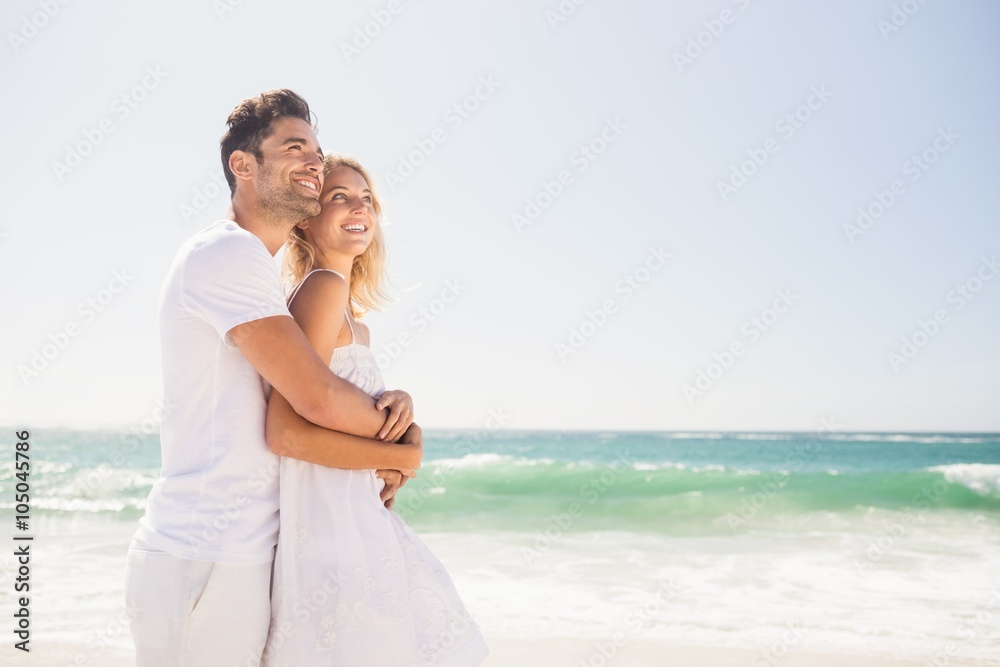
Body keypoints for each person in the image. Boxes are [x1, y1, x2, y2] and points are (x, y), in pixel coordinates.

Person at [125, 90, 420, 667]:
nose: (314, 160)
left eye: (315, 148)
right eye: (294, 147)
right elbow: (313, 398)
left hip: (242, 553)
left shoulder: (257, 270)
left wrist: (390, 414)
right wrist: (405, 444)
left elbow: (317, 388)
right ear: (244, 166)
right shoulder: (226, 253)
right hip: (201, 552)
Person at [261, 155, 489, 666]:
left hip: (356, 520)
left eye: (367, 198)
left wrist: (398, 406)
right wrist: (402, 457)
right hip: (331, 532)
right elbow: (286, 433)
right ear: (305, 217)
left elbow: (336, 401)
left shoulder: (351, 318)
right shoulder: (322, 288)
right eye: (339, 196)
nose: (358, 206)